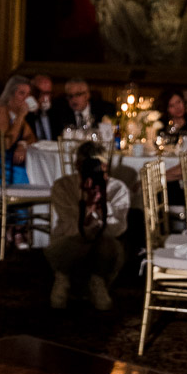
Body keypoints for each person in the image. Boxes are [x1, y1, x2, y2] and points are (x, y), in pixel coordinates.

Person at [46, 142, 130, 312]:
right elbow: (71, 227)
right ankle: (62, 279)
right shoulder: (63, 186)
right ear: (78, 166)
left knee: (109, 243)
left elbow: (119, 229)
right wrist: (88, 209)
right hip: (69, 247)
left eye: (102, 168)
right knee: (76, 239)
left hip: (102, 249)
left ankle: (97, 282)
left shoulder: (117, 188)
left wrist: (102, 211)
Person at [27, 73, 62, 142]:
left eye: (48, 93)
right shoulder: (26, 114)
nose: (44, 98)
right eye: (40, 93)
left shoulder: (57, 111)